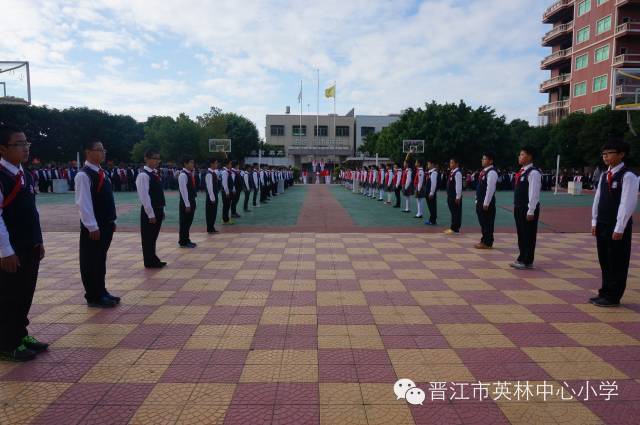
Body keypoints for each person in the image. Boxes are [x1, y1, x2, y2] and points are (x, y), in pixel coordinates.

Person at [0, 124, 47, 361]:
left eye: (26, 143)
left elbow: (31, 212)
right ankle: (7, 342)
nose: (25, 148)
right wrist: (5, 251)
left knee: (25, 291)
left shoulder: (25, 174)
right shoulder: (2, 176)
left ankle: (20, 333)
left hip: (29, 245)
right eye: (19, 144)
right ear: (2, 149)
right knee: (9, 294)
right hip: (11, 249)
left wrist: (38, 240)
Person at [590, 139, 639, 307]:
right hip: (603, 223)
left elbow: (627, 203)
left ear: (621, 154)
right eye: (604, 153)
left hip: (617, 225)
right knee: (604, 259)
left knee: (617, 260)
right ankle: (605, 291)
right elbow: (597, 199)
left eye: (609, 153)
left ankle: (614, 295)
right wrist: (594, 221)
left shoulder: (628, 176)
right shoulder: (604, 174)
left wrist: (620, 227)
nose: (605, 156)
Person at [75, 139, 120, 307]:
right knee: (90, 261)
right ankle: (93, 295)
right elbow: (83, 203)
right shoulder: (84, 175)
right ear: (88, 152)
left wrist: (112, 220)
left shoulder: (102, 172)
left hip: (106, 224)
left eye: (103, 149)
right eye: (99, 150)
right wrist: (91, 226)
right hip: (94, 227)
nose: (103, 153)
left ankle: (102, 290)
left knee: (100, 260)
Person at [511, 146, 542, 270]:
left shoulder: (533, 172)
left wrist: (531, 210)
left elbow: (534, 193)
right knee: (521, 233)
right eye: (520, 154)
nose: (520, 156)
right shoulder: (522, 171)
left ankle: (527, 260)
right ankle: (522, 257)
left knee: (528, 234)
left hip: (527, 208)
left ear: (529, 156)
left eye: (522, 154)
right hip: (519, 207)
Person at [136, 149, 167, 268]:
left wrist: (162, 210)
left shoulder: (155, 173)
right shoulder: (143, 175)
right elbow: (144, 196)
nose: (157, 161)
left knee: (153, 236)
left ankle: (153, 258)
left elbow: (159, 193)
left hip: (158, 209)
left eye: (158, 159)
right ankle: (149, 261)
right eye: (154, 158)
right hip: (150, 211)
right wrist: (150, 214)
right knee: (148, 237)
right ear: (147, 159)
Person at [475, 153, 498, 249]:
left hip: (486, 203)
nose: (482, 160)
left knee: (487, 222)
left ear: (490, 161)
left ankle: (488, 242)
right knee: (483, 222)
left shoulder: (492, 172)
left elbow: (490, 189)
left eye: (485, 159)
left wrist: (486, 202)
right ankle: (484, 239)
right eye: (482, 158)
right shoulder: (484, 171)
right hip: (480, 201)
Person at [178, 156, 197, 248]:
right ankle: (183, 241)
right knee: (184, 222)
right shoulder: (183, 175)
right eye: (191, 162)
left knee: (188, 222)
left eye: (193, 162)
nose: (193, 164)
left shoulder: (189, 174)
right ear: (185, 164)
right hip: (186, 202)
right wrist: (187, 204)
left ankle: (186, 239)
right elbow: (183, 191)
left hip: (191, 201)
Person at [445, 158, 462, 235]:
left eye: (452, 163)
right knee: (453, 212)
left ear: (456, 164)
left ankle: (456, 229)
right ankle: (452, 227)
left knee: (456, 212)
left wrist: (458, 197)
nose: (450, 164)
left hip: (455, 196)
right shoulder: (452, 172)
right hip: (451, 195)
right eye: (450, 162)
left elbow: (458, 186)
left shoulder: (457, 173)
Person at [205, 158, 220, 234]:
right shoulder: (209, 174)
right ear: (211, 164)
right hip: (211, 197)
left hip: (214, 195)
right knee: (210, 213)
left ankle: (212, 227)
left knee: (213, 213)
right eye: (216, 163)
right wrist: (212, 198)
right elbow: (209, 187)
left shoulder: (213, 173)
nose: (217, 164)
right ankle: (210, 228)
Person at [424, 160, 438, 226]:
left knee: (432, 206)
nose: (428, 165)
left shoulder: (434, 173)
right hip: (428, 191)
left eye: (429, 164)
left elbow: (433, 184)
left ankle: (433, 220)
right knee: (430, 206)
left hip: (430, 192)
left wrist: (431, 193)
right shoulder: (430, 172)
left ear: (432, 164)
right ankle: (431, 219)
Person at [221, 159, 234, 225]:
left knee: (227, 205)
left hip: (228, 191)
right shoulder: (224, 172)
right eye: (230, 163)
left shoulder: (228, 172)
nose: (231, 165)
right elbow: (224, 183)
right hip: (226, 192)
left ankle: (226, 219)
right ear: (227, 164)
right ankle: (225, 220)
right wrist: (227, 192)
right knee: (226, 206)